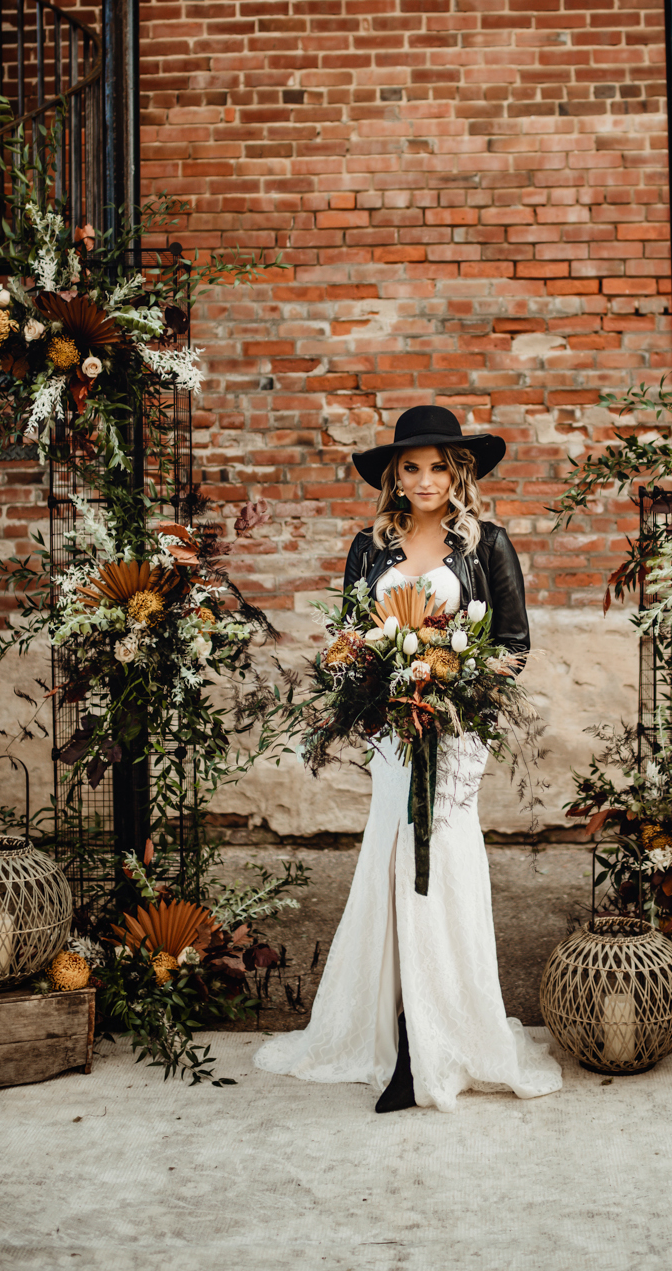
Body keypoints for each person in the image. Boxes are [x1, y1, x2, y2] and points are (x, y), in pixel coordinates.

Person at [253, 405, 562, 1113]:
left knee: (445, 853)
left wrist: (453, 677)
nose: (426, 480)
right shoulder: (369, 546)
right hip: (393, 730)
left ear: (461, 473)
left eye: (440, 467)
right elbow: (347, 639)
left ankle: (445, 1033)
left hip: (454, 731)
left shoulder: (487, 545)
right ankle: (390, 1031)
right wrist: (372, 690)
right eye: (412, 468)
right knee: (390, 852)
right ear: (394, 476)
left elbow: (512, 645)